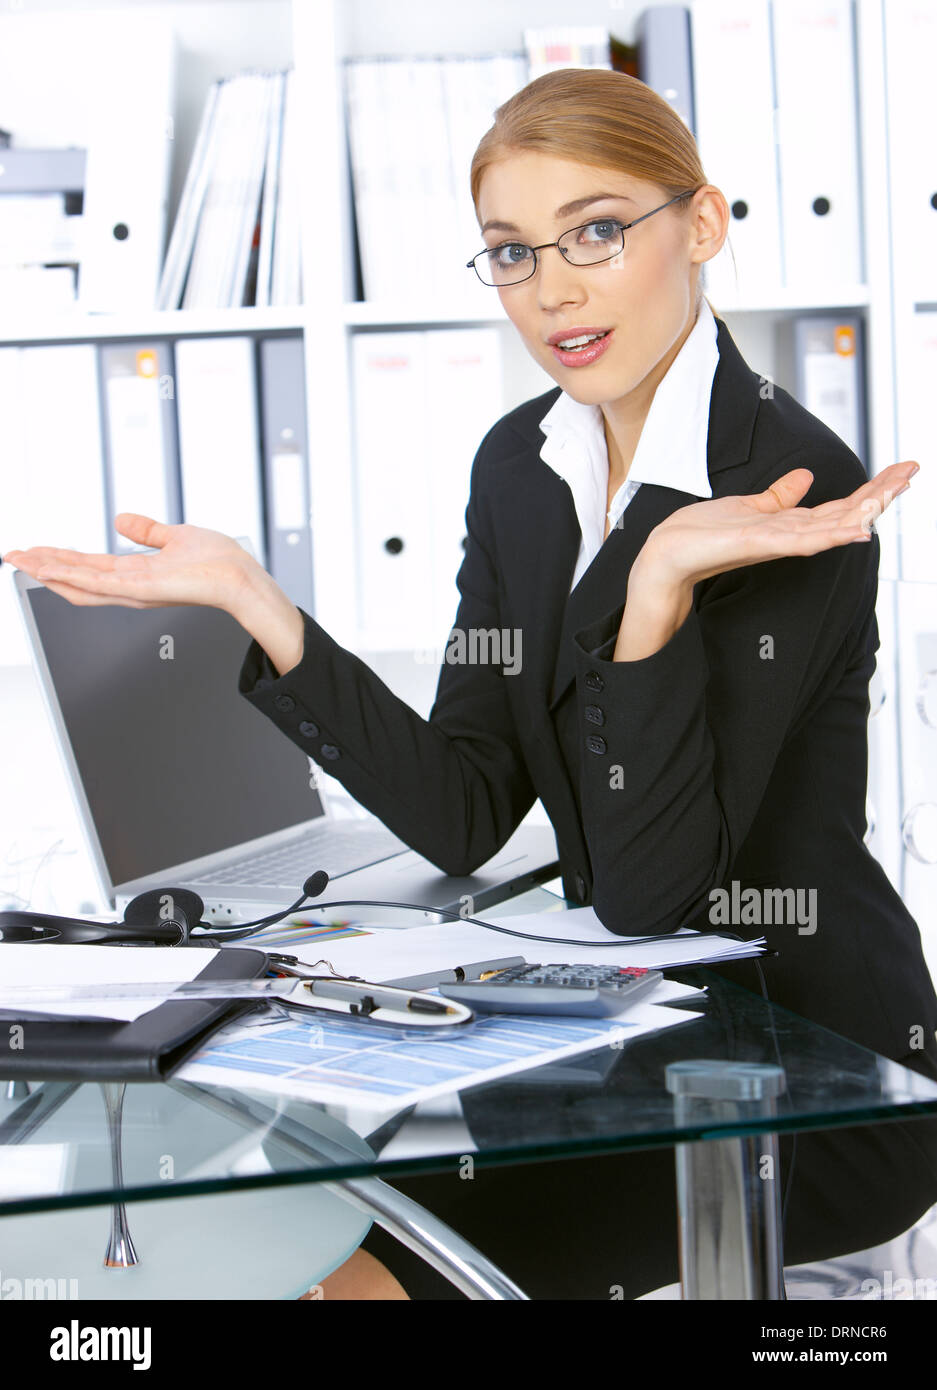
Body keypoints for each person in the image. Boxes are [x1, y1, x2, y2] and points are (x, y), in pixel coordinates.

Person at [5, 68, 936, 1301]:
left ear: (700, 226)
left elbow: (657, 890)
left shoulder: (785, 494)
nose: (552, 289)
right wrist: (262, 608)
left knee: (359, 1275)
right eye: (511, 251)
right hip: (619, 1044)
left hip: (798, 1073)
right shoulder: (519, 465)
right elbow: (464, 802)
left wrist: (653, 582)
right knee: (291, 1236)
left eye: (596, 231)